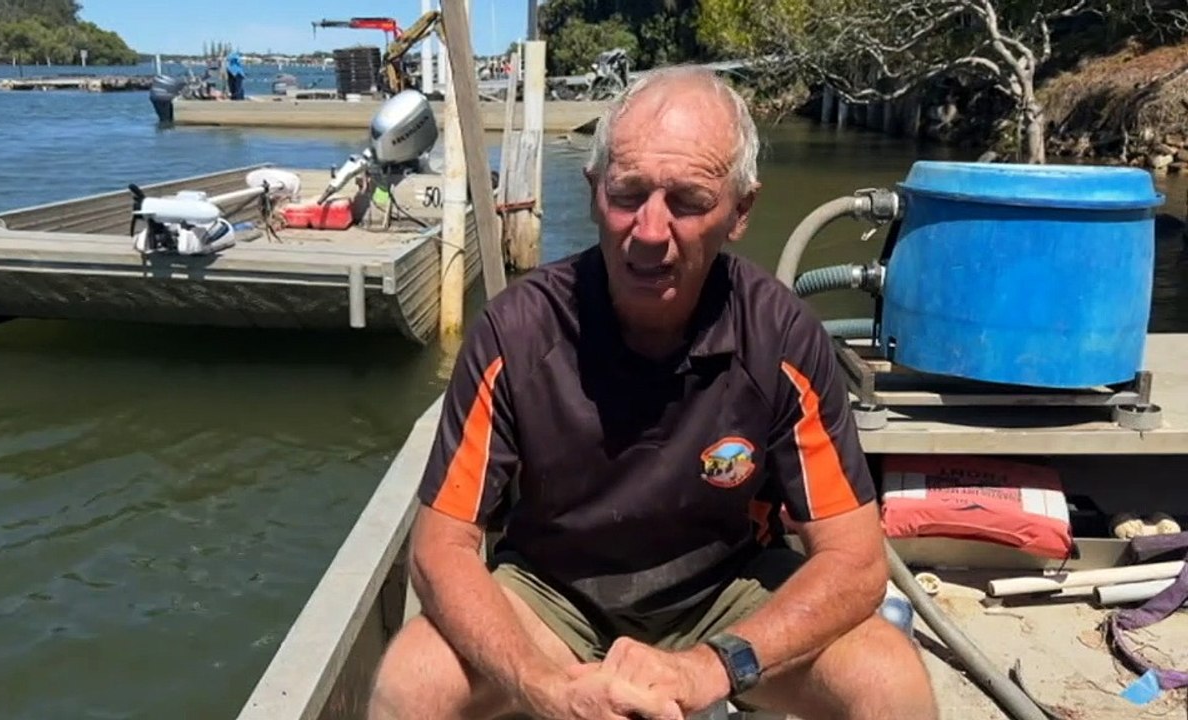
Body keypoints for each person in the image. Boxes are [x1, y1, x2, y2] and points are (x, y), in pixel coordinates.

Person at [368, 65, 938, 720]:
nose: (648, 230)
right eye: (627, 193)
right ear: (592, 190)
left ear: (740, 211)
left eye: (689, 202)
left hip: (722, 595)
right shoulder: (516, 332)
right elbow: (441, 547)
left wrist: (715, 666)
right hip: (552, 598)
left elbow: (857, 563)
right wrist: (539, 685)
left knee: (889, 681)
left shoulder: (782, 339)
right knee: (411, 681)